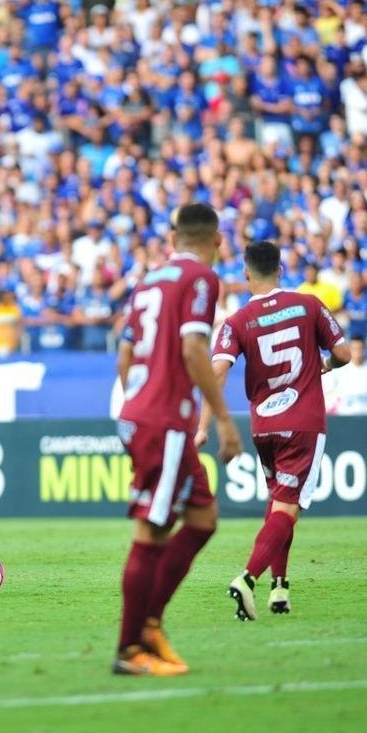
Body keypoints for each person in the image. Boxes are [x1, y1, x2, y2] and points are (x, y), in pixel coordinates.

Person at [114, 203, 242, 677]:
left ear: (174, 238)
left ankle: (149, 624)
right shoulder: (203, 279)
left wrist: (136, 400)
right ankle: (130, 649)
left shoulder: (149, 280)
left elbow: (125, 353)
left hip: (146, 414)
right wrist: (224, 420)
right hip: (163, 421)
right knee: (152, 529)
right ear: (217, 240)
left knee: (203, 518)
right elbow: (192, 348)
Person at [205, 240, 351, 620]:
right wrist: (326, 365)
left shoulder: (236, 321)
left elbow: (216, 372)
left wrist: (203, 424)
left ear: (246, 275)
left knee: (280, 504)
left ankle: (279, 588)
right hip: (302, 423)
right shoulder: (309, 304)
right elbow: (344, 354)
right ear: (282, 271)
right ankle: (248, 579)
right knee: (287, 506)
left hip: (263, 427)